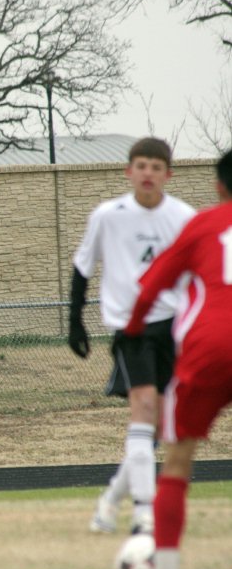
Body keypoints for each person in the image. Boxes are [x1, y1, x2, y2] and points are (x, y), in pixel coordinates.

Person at [68, 137, 195, 535]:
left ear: (168, 175)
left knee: (156, 426)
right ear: (129, 171)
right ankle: (144, 512)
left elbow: (198, 275)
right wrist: (75, 320)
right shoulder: (108, 215)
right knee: (142, 409)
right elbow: (82, 267)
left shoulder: (183, 217)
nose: (148, 174)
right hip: (132, 327)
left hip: (173, 327)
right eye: (141, 165)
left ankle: (109, 500)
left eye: (156, 168)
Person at [122, 149, 232, 569]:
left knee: (178, 461)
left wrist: (131, 331)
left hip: (210, 346)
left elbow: (151, 286)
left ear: (219, 186)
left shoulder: (204, 224)